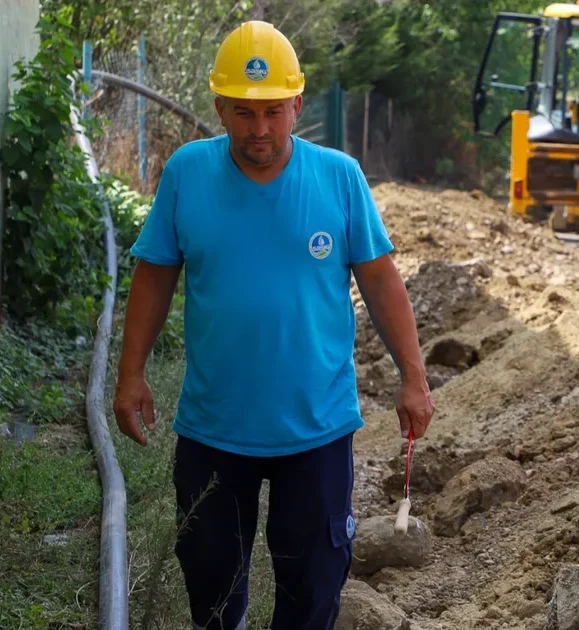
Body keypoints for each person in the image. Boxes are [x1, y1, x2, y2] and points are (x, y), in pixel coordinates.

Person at [111, 21, 435, 630]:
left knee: (312, 592)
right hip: (214, 428)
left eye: (272, 113)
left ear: (297, 105)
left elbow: (382, 282)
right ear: (219, 109)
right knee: (211, 587)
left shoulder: (339, 177)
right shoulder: (187, 174)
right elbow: (153, 276)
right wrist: (131, 375)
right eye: (242, 114)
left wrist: (413, 377)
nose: (259, 130)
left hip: (316, 430)